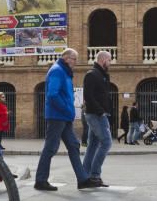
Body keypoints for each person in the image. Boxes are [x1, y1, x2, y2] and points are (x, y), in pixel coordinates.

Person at [34, 48, 100, 191]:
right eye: (74, 59)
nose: (75, 62)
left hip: (63, 117)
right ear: (66, 58)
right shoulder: (58, 70)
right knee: (50, 148)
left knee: (74, 145)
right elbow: (52, 94)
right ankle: (40, 180)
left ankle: (82, 179)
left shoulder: (64, 72)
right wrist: (66, 109)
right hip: (57, 116)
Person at [82, 50, 113, 186]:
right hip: (95, 115)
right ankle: (95, 175)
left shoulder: (102, 75)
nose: (110, 63)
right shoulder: (92, 74)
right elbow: (88, 96)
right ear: (103, 59)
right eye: (109, 60)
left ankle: (85, 175)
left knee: (93, 145)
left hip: (98, 113)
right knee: (106, 142)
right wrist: (101, 112)